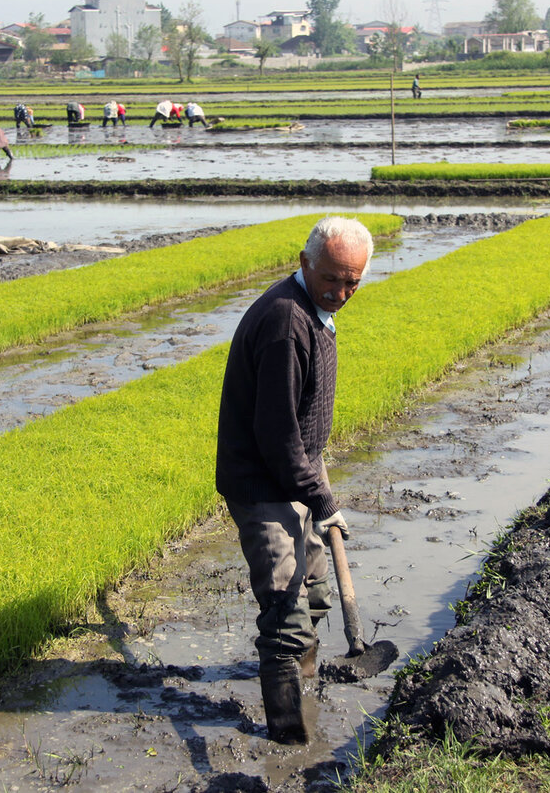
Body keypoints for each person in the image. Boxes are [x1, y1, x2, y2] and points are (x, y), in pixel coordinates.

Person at [215, 216, 374, 746]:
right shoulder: (287, 322)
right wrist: (322, 499)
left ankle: (304, 684)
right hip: (264, 484)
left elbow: (298, 427)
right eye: (331, 278)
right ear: (305, 263)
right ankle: (288, 740)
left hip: (297, 470)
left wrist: (314, 477)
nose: (341, 293)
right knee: (286, 611)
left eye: (352, 282)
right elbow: (276, 434)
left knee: (316, 593)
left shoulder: (317, 311)